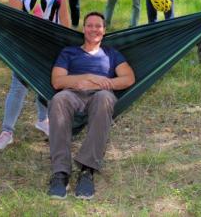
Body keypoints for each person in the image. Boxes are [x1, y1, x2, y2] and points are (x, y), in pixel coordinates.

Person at [47, 12, 135, 200]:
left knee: (104, 98)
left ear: (104, 31)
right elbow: (57, 81)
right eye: (90, 25)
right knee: (58, 100)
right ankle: (60, 172)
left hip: (100, 94)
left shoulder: (112, 54)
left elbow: (128, 78)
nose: (94, 29)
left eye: (98, 26)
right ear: (84, 29)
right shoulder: (69, 52)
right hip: (72, 94)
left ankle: (87, 170)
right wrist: (87, 77)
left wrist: (101, 84)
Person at [0, 0, 72, 150]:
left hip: (52, 44)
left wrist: (68, 41)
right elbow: (14, 22)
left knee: (47, 84)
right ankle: (7, 131)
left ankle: (43, 120)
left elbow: (65, 17)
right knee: (18, 86)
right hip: (26, 45)